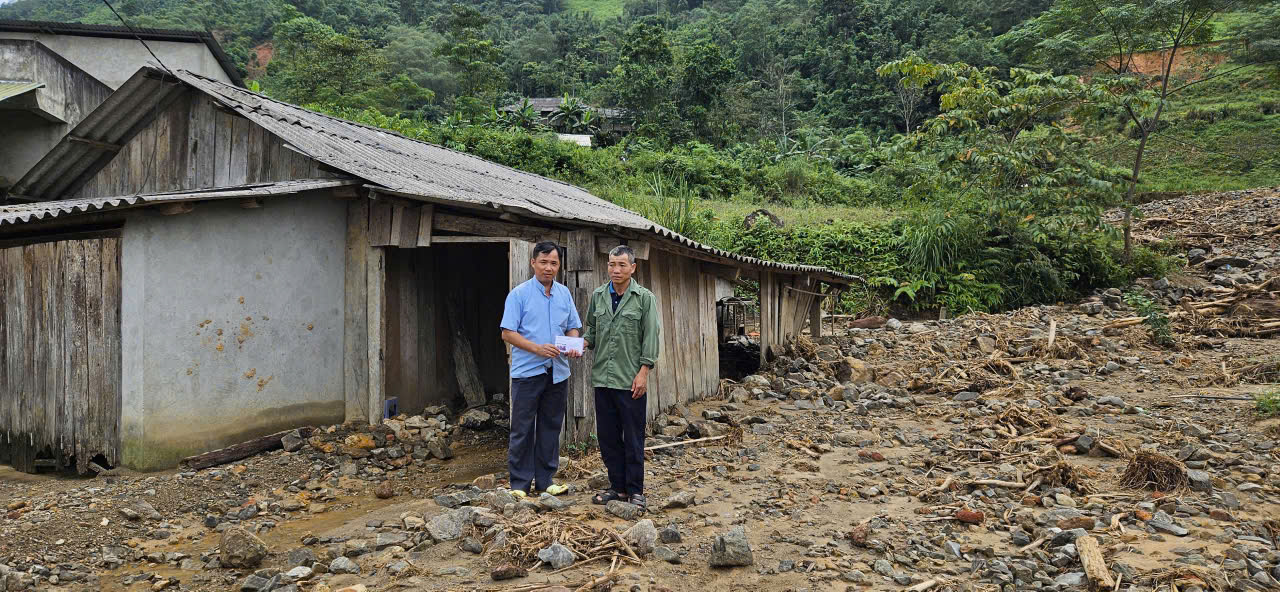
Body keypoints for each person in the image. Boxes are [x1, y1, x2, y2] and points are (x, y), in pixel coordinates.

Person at [500, 241, 581, 497]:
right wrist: (537, 349)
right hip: (527, 373)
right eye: (543, 262)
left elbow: (572, 326)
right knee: (522, 428)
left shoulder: (564, 294)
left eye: (554, 263)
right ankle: (519, 485)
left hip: (558, 372)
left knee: (550, 426)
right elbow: (507, 333)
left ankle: (546, 481)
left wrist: (573, 343)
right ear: (533, 263)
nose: (548, 267)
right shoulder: (519, 294)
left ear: (559, 266)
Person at [583, 245, 661, 509]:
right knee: (608, 437)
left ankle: (636, 490)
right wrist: (580, 344)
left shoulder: (644, 298)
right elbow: (592, 331)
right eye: (611, 264)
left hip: (630, 381)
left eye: (621, 265)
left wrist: (644, 372)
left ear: (633, 268)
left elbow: (651, 337)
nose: (615, 270)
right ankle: (617, 488)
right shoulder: (598, 296)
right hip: (603, 379)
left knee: (633, 437)